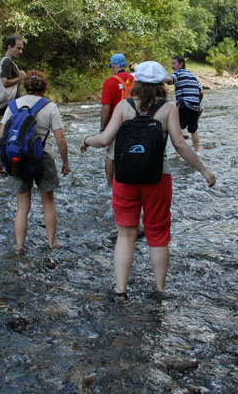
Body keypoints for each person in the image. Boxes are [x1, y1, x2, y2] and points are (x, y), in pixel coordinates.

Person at [81, 61, 216, 298]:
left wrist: (85, 140)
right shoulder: (168, 109)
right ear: (162, 85)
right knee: (158, 233)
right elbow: (180, 144)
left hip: (125, 177)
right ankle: (160, 289)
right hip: (158, 178)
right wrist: (204, 170)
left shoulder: (124, 106)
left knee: (125, 234)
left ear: (138, 82)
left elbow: (104, 140)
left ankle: (120, 289)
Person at [0, 71, 71, 251]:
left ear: (25, 87)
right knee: (48, 202)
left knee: (22, 207)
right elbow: (60, 138)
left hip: (16, 158)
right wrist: (65, 162)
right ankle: (52, 243)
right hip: (43, 157)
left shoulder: (12, 106)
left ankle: (19, 246)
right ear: (44, 89)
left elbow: (1, 136)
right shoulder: (50, 106)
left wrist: (0, 160)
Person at [100, 53, 135, 187]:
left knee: (111, 156)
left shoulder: (110, 82)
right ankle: (129, 182)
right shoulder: (135, 80)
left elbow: (106, 108)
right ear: (124, 65)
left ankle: (110, 185)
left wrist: (103, 128)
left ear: (114, 65)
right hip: (134, 124)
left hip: (116, 125)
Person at [165, 55, 203, 153]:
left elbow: (169, 80)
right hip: (194, 105)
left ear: (181, 64)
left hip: (185, 103)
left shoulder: (178, 73)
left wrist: (158, 79)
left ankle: (179, 153)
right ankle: (197, 152)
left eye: (174, 63)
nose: (172, 66)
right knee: (193, 129)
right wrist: (198, 104)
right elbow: (201, 92)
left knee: (175, 127)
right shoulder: (192, 75)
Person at [0, 34, 27, 117]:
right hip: (8, 105)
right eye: (18, 48)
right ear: (9, 47)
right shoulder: (7, 62)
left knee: (6, 128)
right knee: (8, 129)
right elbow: (5, 82)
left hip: (6, 104)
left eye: (21, 49)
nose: (20, 51)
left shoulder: (4, 61)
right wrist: (20, 78)